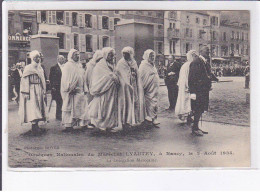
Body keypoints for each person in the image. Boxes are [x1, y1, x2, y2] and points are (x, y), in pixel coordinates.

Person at [188, 46, 218, 136]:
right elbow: (191, 78)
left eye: (209, 51)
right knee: (197, 109)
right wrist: (192, 92)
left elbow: (208, 74)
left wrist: (214, 79)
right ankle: (194, 128)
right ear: (200, 52)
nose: (208, 52)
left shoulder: (205, 63)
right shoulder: (196, 62)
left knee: (201, 109)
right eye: (206, 51)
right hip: (198, 91)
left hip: (204, 91)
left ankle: (196, 126)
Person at [89, 47, 119, 131]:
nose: (111, 56)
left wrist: (115, 78)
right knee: (103, 107)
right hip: (103, 90)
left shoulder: (112, 64)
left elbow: (115, 74)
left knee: (111, 107)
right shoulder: (100, 65)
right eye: (110, 54)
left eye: (112, 55)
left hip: (111, 91)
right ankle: (101, 125)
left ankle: (110, 125)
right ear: (105, 55)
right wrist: (110, 78)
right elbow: (98, 78)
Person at [18, 50, 47, 134]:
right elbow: (25, 81)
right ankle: (34, 126)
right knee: (33, 108)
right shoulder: (28, 68)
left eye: (38, 57)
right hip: (31, 90)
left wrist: (43, 89)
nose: (38, 59)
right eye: (36, 57)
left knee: (40, 107)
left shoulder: (40, 68)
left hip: (39, 89)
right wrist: (26, 92)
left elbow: (43, 80)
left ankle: (37, 125)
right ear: (32, 58)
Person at [116, 47, 145, 129]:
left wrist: (134, 75)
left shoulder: (134, 62)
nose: (125, 55)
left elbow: (137, 73)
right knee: (126, 103)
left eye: (127, 54)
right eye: (124, 53)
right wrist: (126, 81)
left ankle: (133, 120)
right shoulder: (120, 63)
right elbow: (119, 74)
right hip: (124, 88)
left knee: (134, 102)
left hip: (134, 85)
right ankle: (124, 121)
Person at [60, 49, 86, 132]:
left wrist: (84, 87)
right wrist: (69, 88)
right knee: (69, 108)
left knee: (80, 107)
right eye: (76, 55)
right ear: (71, 56)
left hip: (79, 90)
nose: (78, 56)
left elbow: (82, 76)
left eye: (78, 54)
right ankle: (68, 125)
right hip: (71, 91)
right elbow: (65, 78)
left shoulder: (79, 65)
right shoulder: (67, 65)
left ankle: (81, 123)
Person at [175, 50, 198, 124]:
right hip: (186, 87)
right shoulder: (189, 65)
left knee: (186, 102)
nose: (195, 57)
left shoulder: (186, 65)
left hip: (184, 86)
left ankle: (188, 116)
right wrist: (189, 86)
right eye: (194, 56)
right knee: (188, 102)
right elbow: (187, 77)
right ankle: (188, 117)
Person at [139, 49, 160, 126]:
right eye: (151, 56)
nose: (152, 57)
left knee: (155, 103)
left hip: (155, 89)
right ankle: (152, 118)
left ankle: (154, 117)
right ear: (147, 56)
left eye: (153, 56)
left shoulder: (153, 65)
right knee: (150, 104)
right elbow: (141, 77)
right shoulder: (143, 66)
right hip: (148, 89)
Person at [49, 55, 65, 120]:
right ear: (58, 59)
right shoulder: (54, 68)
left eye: (63, 59)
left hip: (64, 86)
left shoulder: (65, 67)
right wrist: (52, 87)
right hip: (57, 87)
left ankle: (63, 115)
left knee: (64, 101)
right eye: (61, 59)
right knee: (59, 102)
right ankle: (58, 115)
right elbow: (51, 78)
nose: (63, 60)